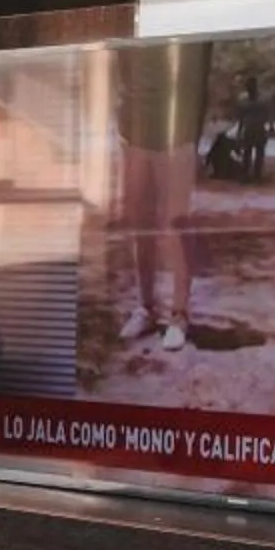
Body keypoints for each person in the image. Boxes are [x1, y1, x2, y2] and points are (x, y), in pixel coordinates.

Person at [112, 40, 211, 351]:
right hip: (136, 133)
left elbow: (201, 77)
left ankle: (179, 316)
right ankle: (146, 307)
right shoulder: (132, 25)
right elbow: (124, 69)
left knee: (176, 225)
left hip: (177, 134)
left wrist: (192, 137)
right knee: (140, 223)